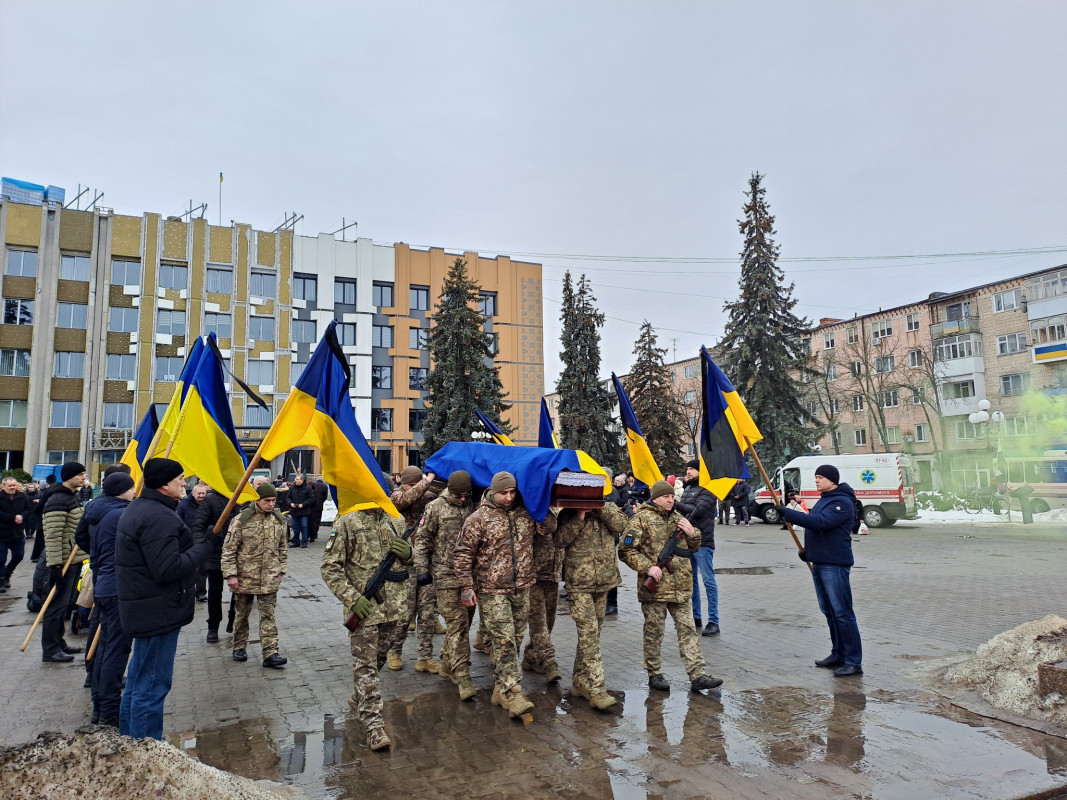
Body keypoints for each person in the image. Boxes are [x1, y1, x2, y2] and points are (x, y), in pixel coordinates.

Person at [116, 458, 213, 739]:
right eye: (180, 478)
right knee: (152, 685)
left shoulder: (142, 508)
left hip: (145, 606)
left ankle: (129, 745)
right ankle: (148, 753)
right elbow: (167, 568)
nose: (184, 483)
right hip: (157, 610)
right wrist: (203, 548)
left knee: (137, 681)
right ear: (163, 484)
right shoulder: (158, 516)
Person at [454, 471, 556, 718]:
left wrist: (537, 503)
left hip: (523, 587)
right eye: (504, 493)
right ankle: (512, 693)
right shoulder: (478, 519)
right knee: (504, 641)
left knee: (516, 638)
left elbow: (550, 527)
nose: (509, 497)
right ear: (493, 491)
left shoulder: (525, 513)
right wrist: (466, 587)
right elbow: (462, 554)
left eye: (512, 492)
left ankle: (500, 688)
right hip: (492, 590)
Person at [320, 504, 413, 751]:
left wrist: (410, 555)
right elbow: (329, 566)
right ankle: (374, 726)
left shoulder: (397, 519)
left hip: (395, 608)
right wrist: (352, 598)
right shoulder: (347, 522)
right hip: (365, 610)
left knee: (379, 658)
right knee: (366, 666)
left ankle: (359, 696)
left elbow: (410, 564)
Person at [618, 480, 722, 693]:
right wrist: (647, 568)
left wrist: (693, 533)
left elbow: (693, 547)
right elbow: (626, 550)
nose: (670, 499)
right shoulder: (641, 520)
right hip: (655, 589)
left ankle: (697, 674)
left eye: (672, 496)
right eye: (666, 496)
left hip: (681, 587)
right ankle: (654, 673)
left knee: (688, 630)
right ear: (655, 497)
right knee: (654, 632)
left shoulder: (679, 519)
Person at [778, 464, 864, 677]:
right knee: (829, 611)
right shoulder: (826, 499)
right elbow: (820, 532)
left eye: (821, 477)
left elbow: (820, 523)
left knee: (843, 613)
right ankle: (838, 654)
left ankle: (853, 661)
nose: (817, 480)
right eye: (816, 477)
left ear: (832, 480)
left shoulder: (842, 502)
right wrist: (809, 553)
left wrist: (789, 514)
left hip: (834, 565)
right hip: (821, 562)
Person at [555, 501, 628, 710]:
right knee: (588, 633)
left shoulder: (608, 507)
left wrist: (602, 508)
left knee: (592, 635)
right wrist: (579, 517)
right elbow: (559, 540)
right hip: (579, 583)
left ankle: (579, 682)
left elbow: (622, 526)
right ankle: (597, 689)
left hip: (604, 582)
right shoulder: (568, 513)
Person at [78, 472, 136, 726]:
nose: (135, 491)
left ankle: (100, 705)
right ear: (123, 490)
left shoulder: (95, 510)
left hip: (103, 581)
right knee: (115, 649)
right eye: (132, 487)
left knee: (105, 646)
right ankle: (109, 711)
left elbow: (81, 539)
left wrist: (99, 558)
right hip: (117, 586)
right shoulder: (121, 513)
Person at [412, 470, 476, 699]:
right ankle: (462, 675)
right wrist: (421, 570)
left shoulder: (473, 505)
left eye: (465, 495)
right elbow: (422, 539)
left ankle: (448, 663)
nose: (462, 499)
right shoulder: (435, 507)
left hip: (469, 577)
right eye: (458, 496)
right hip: (445, 576)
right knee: (457, 624)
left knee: (465, 623)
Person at [221, 482, 289, 668]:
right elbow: (228, 550)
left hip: (269, 577)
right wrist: (231, 575)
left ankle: (270, 652)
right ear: (257, 500)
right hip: (245, 577)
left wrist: (281, 569)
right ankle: (239, 646)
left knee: (268, 615)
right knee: (242, 614)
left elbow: (283, 547)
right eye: (267, 500)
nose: (271, 504)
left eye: (274, 500)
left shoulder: (279, 520)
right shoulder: (242, 520)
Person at [386, 465, 439, 672]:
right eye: (413, 485)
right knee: (404, 614)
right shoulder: (396, 496)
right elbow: (404, 501)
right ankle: (394, 651)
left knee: (427, 614)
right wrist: (425, 483)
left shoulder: (427, 496)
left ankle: (425, 657)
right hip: (405, 566)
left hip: (426, 563)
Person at [40, 462, 88, 663]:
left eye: (84, 474)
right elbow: (52, 534)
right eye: (80, 474)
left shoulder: (72, 497)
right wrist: (55, 566)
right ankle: (50, 649)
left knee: (65, 604)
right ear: (68, 476)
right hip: (61, 562)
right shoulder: (58, 499)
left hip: (73, 559)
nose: (83, 478)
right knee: (56, 605)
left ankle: (59, 642)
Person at [191, 487, 242, 643]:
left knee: (239, 591)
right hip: (215, 554)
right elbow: (198, 526)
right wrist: (203, 546)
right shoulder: (210, 500)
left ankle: (233, 622)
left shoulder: (242, 498)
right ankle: (213, 626)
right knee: (214, 592)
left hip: (238, 553)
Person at [675, 459, 720, 636]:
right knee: (691, 580)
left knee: (708, 581)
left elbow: (698, 511)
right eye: (687, 469)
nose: (688, 472)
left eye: (692, 469)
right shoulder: (688, 489)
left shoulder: (708, 490)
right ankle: (696, 617)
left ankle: (713, 621)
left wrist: (675, 504)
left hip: (703, 542)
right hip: (688, 540)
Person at [522, 505, 563, 684]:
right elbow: (545, 528)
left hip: (553, 573)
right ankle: (549, 660)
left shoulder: (564, 508)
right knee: (538, 620)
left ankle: (531, 657)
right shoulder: (534, 506)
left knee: (549, 620)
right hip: (533, 574)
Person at [178, 482, 209, 602]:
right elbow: (178, 521)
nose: (201, 496)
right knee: (188, 568)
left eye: (203, 493)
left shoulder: (208, 504)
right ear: (193, 493)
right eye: (199, 493)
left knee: (203, 568)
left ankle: (201, 592)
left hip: (202, 540)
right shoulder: (183, 505)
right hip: (187, 541)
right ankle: (186, 591)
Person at [0, 476, 30, 593]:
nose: (12, 488)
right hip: (2, 533)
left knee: (19, 555)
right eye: (9, 486)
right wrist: (13, 518)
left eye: (14, 485)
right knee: (1, 559)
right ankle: (2, 580)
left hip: (17, 533)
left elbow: (28, 509)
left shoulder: (22, 496)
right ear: (4, 486)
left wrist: (22, 516)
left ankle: (7, 573)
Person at [286, 474, 315, 548]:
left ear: (302, 480)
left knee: (304, 526)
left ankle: (304, 542)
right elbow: (287, 497)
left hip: (304, 511)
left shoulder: (308, 488)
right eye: (296, 479)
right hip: (294, 511)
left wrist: (303, 504)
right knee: (295, 527)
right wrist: (290, 503)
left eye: (298, 479)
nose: (296, 480)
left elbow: (311, 499)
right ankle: (296, 542)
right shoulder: (292, 488)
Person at [309, 477, 329, 543]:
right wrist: (321, 501)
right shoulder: (325, 486)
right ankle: (315, 534)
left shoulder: (312, 485)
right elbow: (325, 497)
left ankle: (310, 534)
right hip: (319, 506)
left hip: (311, 505)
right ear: (322, 480)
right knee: (317, 520)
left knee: (311, 520)